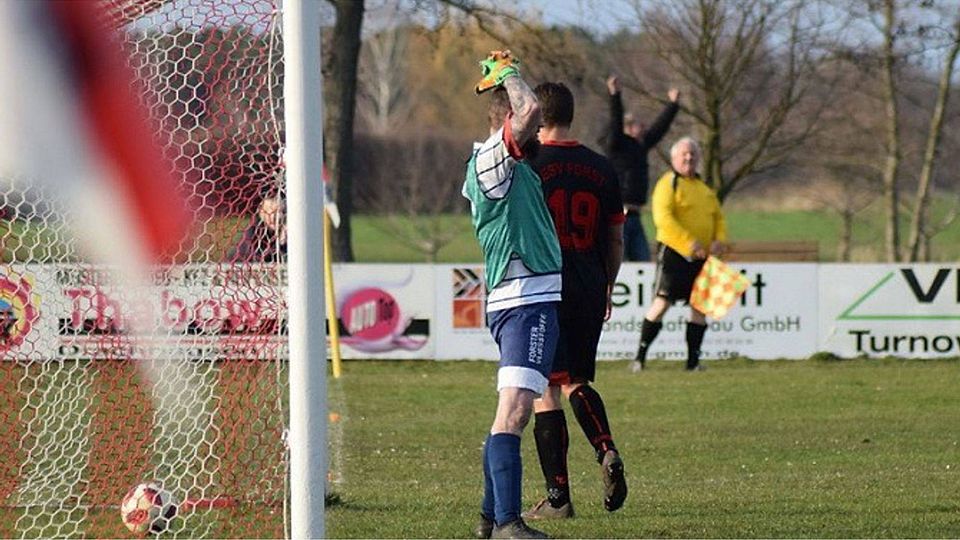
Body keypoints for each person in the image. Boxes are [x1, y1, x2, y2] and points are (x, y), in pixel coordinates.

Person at [463, 51, 562, 540]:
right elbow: (530, 113)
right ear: (506, 121)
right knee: (516, 411)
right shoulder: (491, 161)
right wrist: (509, 74)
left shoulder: (508, 165)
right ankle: (507, 523)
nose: (538, 134)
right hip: (523, 301)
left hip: (526, 298)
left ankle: (490, 517)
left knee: (510, 408)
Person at [523, 81, 627, 521]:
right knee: (577, 380)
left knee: (545, 389)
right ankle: (606, 448)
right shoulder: (601, 168)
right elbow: (616, 237)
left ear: (537, 117)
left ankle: (558, 497)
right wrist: (606, 282)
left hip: (545, 283)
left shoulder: (528, 164)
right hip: (588, 280)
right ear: (570, 114)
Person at [633, 137, 727, 372]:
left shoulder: (705, 189)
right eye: (684, 154)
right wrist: (689, 243)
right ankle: (639, 358)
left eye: (692, 154)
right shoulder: (668, 184)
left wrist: (719, 241)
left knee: (700, 307)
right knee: (662, 303)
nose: (689, 158)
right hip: (675, 254)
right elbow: (663, 219)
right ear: (674, 159)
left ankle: (693, 363)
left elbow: (718, 218)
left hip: (702, 257)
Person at [601, 75, 680, 262]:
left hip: (635, 215)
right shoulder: (617, 145)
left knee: (643, 263)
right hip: (619, 215)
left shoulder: (640, 146)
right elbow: (616, 121)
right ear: (627, 128)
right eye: (638, 125)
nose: (644, 127)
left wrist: (673, 105)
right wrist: (615, 95)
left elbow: (659, 129)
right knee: (619, 263)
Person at [228, 196, 287, 263]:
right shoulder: (255, 230)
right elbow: (259, 259)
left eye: (280, 212)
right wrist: (282, 243)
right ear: (261, 213)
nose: (274, 217)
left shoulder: (288, 229)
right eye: (270, 212)